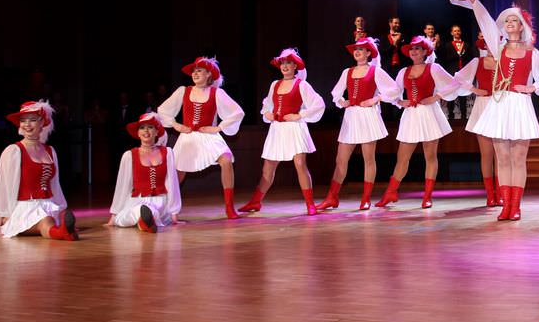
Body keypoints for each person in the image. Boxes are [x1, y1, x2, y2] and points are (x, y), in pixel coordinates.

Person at [459, 0, 539, 221]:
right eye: (507, 21)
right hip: (500, 104)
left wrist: (532, 88)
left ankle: (516, 206)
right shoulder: (498, 48)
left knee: (517, 158)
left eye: (515, 20)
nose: (510, 23)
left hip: (520, 105)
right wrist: (473, 0)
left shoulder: (532, 53)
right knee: (502, 158)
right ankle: (505, 206)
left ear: (522, 26)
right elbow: (485, 22)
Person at [374, 36, 457, 209]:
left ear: (425, 51)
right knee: (402, 157)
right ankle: (390, 192)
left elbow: (453, 84)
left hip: (429, 114)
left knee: (430, 156)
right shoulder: (403, 71)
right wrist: (399, 101)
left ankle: (427, 196)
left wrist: (436, 97)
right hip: (411, 115)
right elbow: (393, 91)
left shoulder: (434, 68)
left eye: (418, 48)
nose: (414, 51)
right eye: (412, 49)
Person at [240, 49, 326, 216]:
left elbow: (318, 104)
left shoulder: (302, 84)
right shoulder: (275, 84)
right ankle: (255, 201)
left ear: (295, 66)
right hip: (277, 129)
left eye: (288, 63)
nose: (285, 66)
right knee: (268, 168)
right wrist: (267, 113)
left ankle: (310, 204)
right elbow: (267, 105)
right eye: (282, 63)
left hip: (294, 128)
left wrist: (299, 115)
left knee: (300, 164)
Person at [157, 57, 245, 220]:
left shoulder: (216, 93)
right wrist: (176, 125)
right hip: (188, 137)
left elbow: (237, 112)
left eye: (199, 70)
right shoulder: (184, 91)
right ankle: (165, 207)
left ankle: (229, 207)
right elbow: (163, 110)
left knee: (226, 160)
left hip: (209, 136)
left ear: (208, 74)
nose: (195, 74)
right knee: (178, 173)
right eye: (194, 71)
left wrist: (218, 128)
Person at [319, 37, 401, 211]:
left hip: (368, 116)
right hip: (351, 117)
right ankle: (332, 197)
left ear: (369, 53)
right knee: (341, 159)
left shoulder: (375, 71)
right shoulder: (347, 72)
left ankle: (366, 198)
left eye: (361, 49)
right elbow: (336, 93)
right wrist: (341, 102)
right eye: (355, 49)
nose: (357, 52)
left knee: (368, 158)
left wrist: (376, 98)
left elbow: (394, 90)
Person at [0, 101, 78, 241]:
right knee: (45, 221)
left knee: (50, 218)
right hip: (24, 208)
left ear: (42, 122)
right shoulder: (13, 151)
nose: (27, 125)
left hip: (48, 204)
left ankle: (62, 229)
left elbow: (55, 185)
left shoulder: (50, 151)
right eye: (23, 121)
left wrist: (61, 209)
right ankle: (61, 233)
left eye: (32, 120)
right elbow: (3, 187)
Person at [104, 112, 182, 233]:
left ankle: (146, 219)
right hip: (137, 200)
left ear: (157, 132)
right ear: (138, 133)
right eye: (142, 127)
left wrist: (174, 212)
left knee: (153, 211)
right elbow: (123, 186)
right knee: (125, 217)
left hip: (160, 201)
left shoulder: (167, 153)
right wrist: (114, 215)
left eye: (150, 127)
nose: (146, 130)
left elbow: (172, 183)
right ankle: (145, 221)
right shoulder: (129, 155)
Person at [453, 36, 504, 208]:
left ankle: (501, 194)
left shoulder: (505, 61)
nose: (490, 46)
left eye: (493, 43)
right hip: (483, 107)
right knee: (486, 154)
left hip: (500, 105)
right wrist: (474, 89)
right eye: (487, 43)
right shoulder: (477, 62)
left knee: (500, 155)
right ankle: (490, 195)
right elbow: (458, 78)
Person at [437, 24, 474, 119]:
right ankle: (451, 117)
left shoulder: (466, 45)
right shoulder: (447, 45)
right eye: (455, 31)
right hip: (451, 73)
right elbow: (443, 60)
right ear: (451, 33)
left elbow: (470, 59)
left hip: (463, 73)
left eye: (458, 31)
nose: (457, 32)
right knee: (451, 94)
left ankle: (464, 117)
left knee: (463, 94)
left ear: (460, 32)